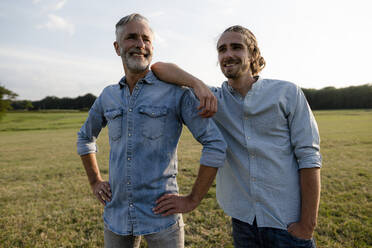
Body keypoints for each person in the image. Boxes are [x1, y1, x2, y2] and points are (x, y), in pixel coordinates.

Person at [152, 25, 322, 248]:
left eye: (236, 47)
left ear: (253, 55)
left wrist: (307, 225)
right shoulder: (214, 99)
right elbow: (158, 68)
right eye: (222, 50)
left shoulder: (287, 93)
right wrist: (196, 84)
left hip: (288, 223)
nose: (228, 54)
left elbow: (309, 158)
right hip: (243, 223)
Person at [76, 13, 226, 248]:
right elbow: (85, 137)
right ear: (117, 47)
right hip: (116, 217)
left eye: (145, 39)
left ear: (152, 46)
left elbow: (215, 142)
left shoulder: (176, 93)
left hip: (162, 218)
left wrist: (193, 199)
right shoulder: (108, 96)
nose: (140, 44)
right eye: (131, 38)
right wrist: (95, 181)